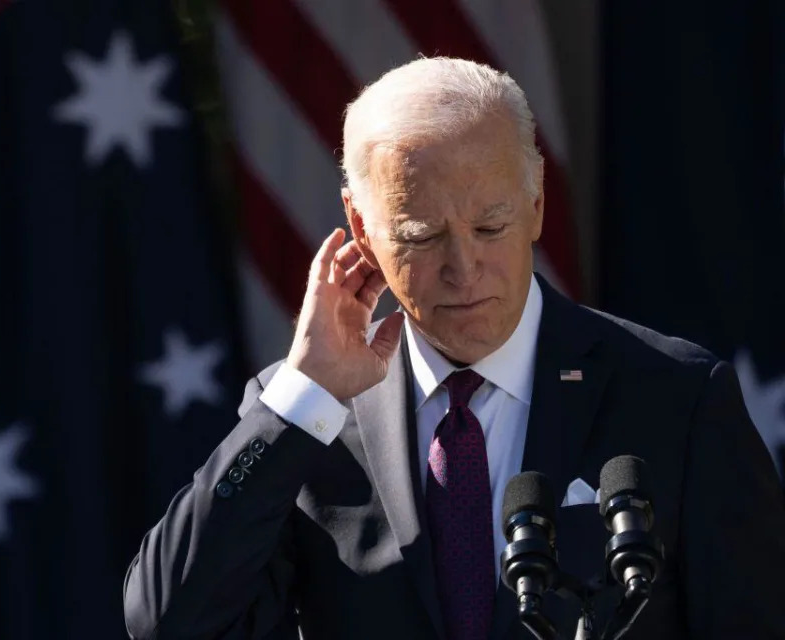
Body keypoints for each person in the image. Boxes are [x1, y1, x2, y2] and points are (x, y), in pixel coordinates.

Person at [122, 57, 785, 639]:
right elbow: (168, 621)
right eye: (420, 235)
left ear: (536, 203)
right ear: (361, 225)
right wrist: (304, 398)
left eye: (490, 225)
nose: (464, 269)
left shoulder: (677, 399)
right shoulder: (307, 417)